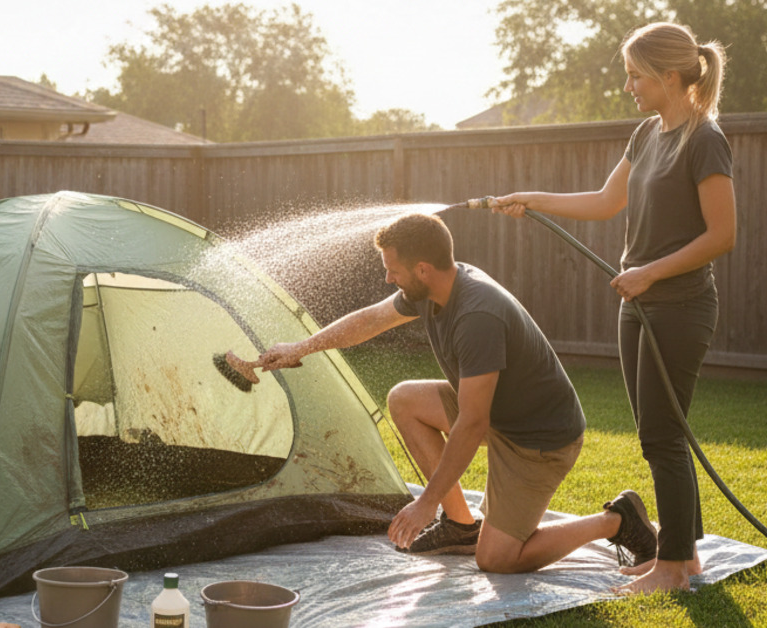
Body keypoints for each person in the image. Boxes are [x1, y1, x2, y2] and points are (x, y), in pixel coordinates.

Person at [258, 212, 657, 578]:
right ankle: (462, 525)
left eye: (392, 271)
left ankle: (618, 520)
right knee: (404, 400)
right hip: (502, 415)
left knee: (497, 560)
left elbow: (472, 423)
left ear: (422, 269)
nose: (388, 279)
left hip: (537, 440)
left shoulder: (476, 316)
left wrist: (426, 501)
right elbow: (372, 319)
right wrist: (301, 348)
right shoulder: (434, 290)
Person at [492, 22, 735, 594]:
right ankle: (685, 558)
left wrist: (648, 271)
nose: (628, 85)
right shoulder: (647, 134)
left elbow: (723, 234)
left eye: (635, 75)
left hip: (679, 306)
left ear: (670, 76)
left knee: (663, 436)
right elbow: (606, 202)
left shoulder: (705, 139)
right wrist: (533, 197)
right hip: (640, 304)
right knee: (660, 433)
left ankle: (674, 566)